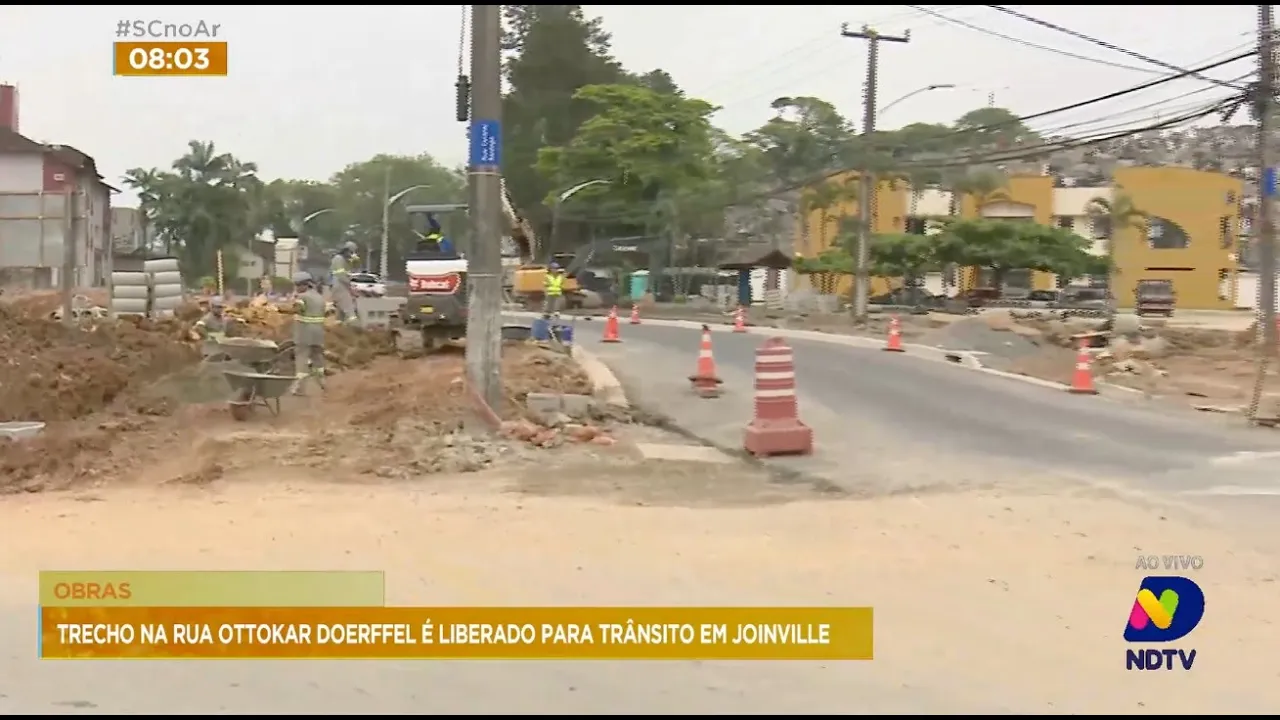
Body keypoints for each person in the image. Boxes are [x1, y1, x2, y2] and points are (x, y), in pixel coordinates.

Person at [290, 271, 327, 396]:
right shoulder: (320, 297)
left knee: (301, 357)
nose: (296, 288)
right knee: (318, 358)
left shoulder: (302, 297)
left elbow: (298, 309)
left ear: (303, 285)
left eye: (297, 285)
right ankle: (322, 382)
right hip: (319, 333)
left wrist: (285, 307)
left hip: (304, 333)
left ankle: (299, 387)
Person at [330, 240, 360, 325]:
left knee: (341, 312)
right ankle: (356, 327)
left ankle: (339, 329)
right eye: (351, 252)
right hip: (339, 286)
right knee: (350, 311)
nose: (352, 254)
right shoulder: (338, 259)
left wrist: (354, 261)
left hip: (341, 286)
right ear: (346, 250)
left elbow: (350, 271)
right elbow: (341, 276)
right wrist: (350, 287)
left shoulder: (345, 260)